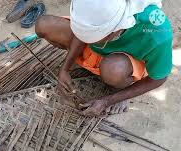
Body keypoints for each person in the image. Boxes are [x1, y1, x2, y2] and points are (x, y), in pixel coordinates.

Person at [35, 0, 173, 116]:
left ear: (114, 31)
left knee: (114, 69)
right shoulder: (99, 7)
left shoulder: (158, 32)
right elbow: (81, 32)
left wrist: (107, 101)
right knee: (44, 25)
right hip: (100, 50)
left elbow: (159, 78)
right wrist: (65, 69)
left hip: (122, 64)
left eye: (94, 37)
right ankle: (89, 62)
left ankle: (121, 85)